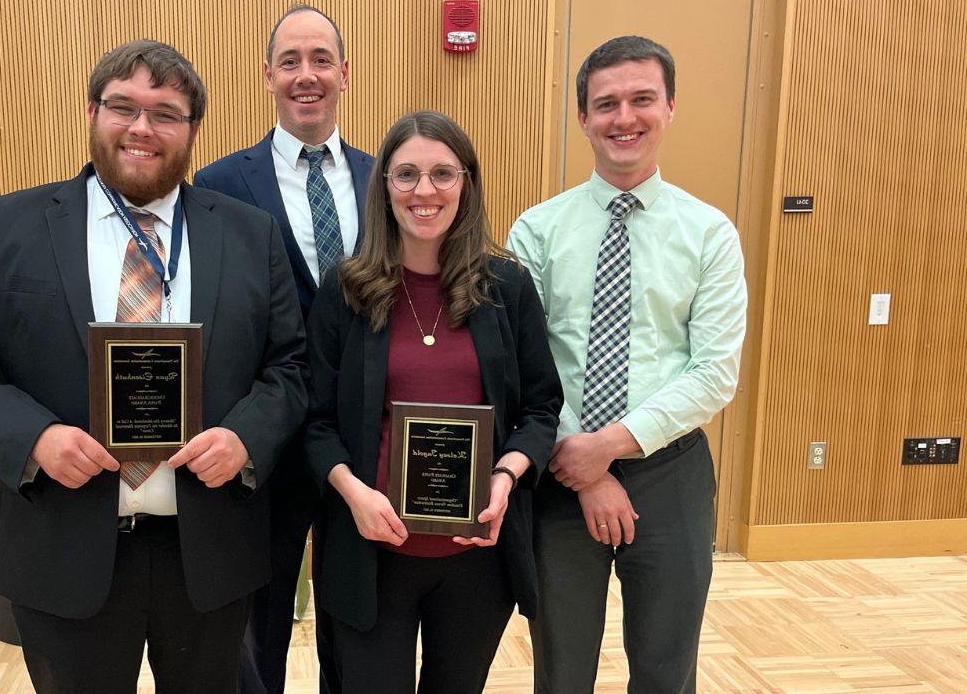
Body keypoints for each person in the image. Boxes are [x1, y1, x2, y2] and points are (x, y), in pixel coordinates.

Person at [0, 39, 307, 694]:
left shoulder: (249, 234)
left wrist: (247, 437)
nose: (141, 128)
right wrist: (34, 438)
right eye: (122, 106)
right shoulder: (8, 227)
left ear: (191, 129)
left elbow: (291, 366)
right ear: (92, 111)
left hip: (209, 552)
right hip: (64, 549)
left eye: (166, 113)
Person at [506, 35, 747, 693]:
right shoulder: (536, 232)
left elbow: (714, 371)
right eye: (606, 103)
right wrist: (582, 468)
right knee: (561, 671)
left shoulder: (710, 235)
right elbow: (520, 366)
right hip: (560, 473)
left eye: (642, 99)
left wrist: (611, 446)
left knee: (667, 672)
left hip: (670, 472)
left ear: (670, 107)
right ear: (582, 117)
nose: (624, 118)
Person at [303, 110, 563, 693]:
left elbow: (542, 409)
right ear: (385, 187)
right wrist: (354, 494)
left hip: (476, 555)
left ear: (467, 184)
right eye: (407, 174)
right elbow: (315, 421)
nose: (425, 190)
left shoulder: (507, 288)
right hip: (371, 549)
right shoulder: (344, 291)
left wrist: (504, 477)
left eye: (443, 173)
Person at [193, 3, 372, 694]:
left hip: (361, 438)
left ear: (344, 74)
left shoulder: (384, 178)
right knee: (257, 619)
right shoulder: (217, 186)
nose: (307, 75)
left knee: (356, 616)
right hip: (261, 439)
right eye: (291, 61)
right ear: (267, 75)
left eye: (321, 59)